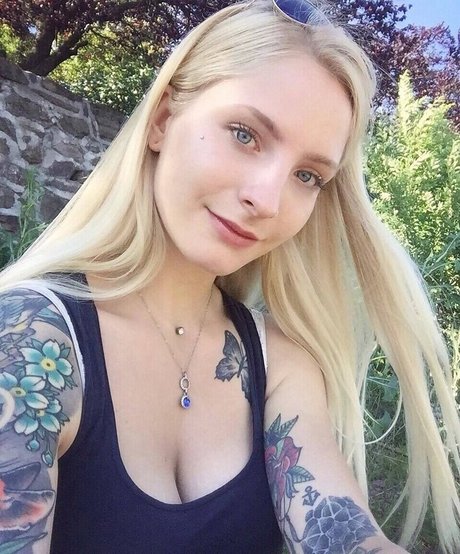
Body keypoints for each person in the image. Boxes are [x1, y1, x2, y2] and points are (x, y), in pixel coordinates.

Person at [0, 0, 459, 552]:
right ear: (163, 120)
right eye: (244, 134)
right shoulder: (30, 341)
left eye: (308, 175)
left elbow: (344, 536)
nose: (268, 199)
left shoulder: (278, 361)